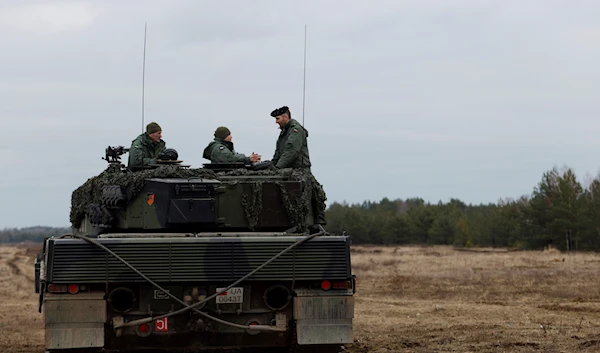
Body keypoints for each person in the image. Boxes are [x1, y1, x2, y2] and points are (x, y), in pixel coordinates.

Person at [270, 106, 327, 226]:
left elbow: (291, 151)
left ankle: (311, 222)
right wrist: (271, 168)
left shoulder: (295, 130)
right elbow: (278, 154)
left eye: (278, 118)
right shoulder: (284, 133)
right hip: (286, 170)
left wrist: (278, 168)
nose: (276, 122)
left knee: (306, 196)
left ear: (286, 117)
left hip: (299, 170)